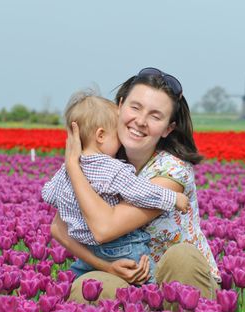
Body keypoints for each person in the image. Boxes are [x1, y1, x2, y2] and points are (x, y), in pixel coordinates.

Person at [50, 67, 220, 302]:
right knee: (91, 286)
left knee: (181, 257)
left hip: (176, 277)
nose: (140, 121)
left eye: (155, 116)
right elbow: (59, 228)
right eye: (135, 107)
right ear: (119, 106)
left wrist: (72, 166)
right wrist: (105, 267)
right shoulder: (103, 162)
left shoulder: (172, 171)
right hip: (131, 280)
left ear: (167, 129)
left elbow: (103, 229)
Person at [42, 90, 189, 283]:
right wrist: (172, 198)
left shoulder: (68, 169)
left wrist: (71, 168)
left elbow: (49, 194)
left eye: (154, 115)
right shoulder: (112, 167)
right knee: (149, 291)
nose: (120, 142)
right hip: (123, 249)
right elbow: (138, 192)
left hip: (87, 253)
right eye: (117, 135)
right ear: (101, 135)